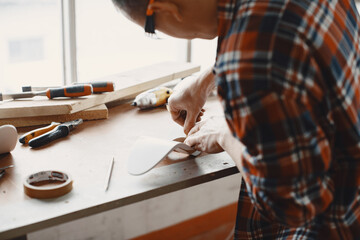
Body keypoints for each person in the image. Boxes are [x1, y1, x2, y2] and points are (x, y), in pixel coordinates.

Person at [112, 0, 360, 239]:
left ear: (166, 9)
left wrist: (226, 134)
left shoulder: (254, 58)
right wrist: (206, 80)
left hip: (335, 223)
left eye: (151, 30)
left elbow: (291, 203)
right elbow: (278, 31)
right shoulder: (257, 24)